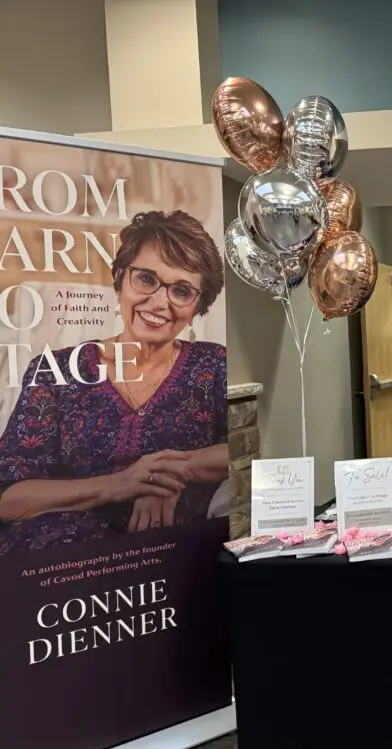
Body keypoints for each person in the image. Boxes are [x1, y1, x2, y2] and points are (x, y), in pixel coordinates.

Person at [0, 210, 229, 554]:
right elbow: (10, 498)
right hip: (66, 570)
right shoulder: (55, 369)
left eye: (181, 290)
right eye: (146, 279)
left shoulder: (212, 365)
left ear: (198, 305)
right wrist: (120, 484)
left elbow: (245, 451)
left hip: (179, 563)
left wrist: (168, 473)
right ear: (120, 278)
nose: (159, 301)